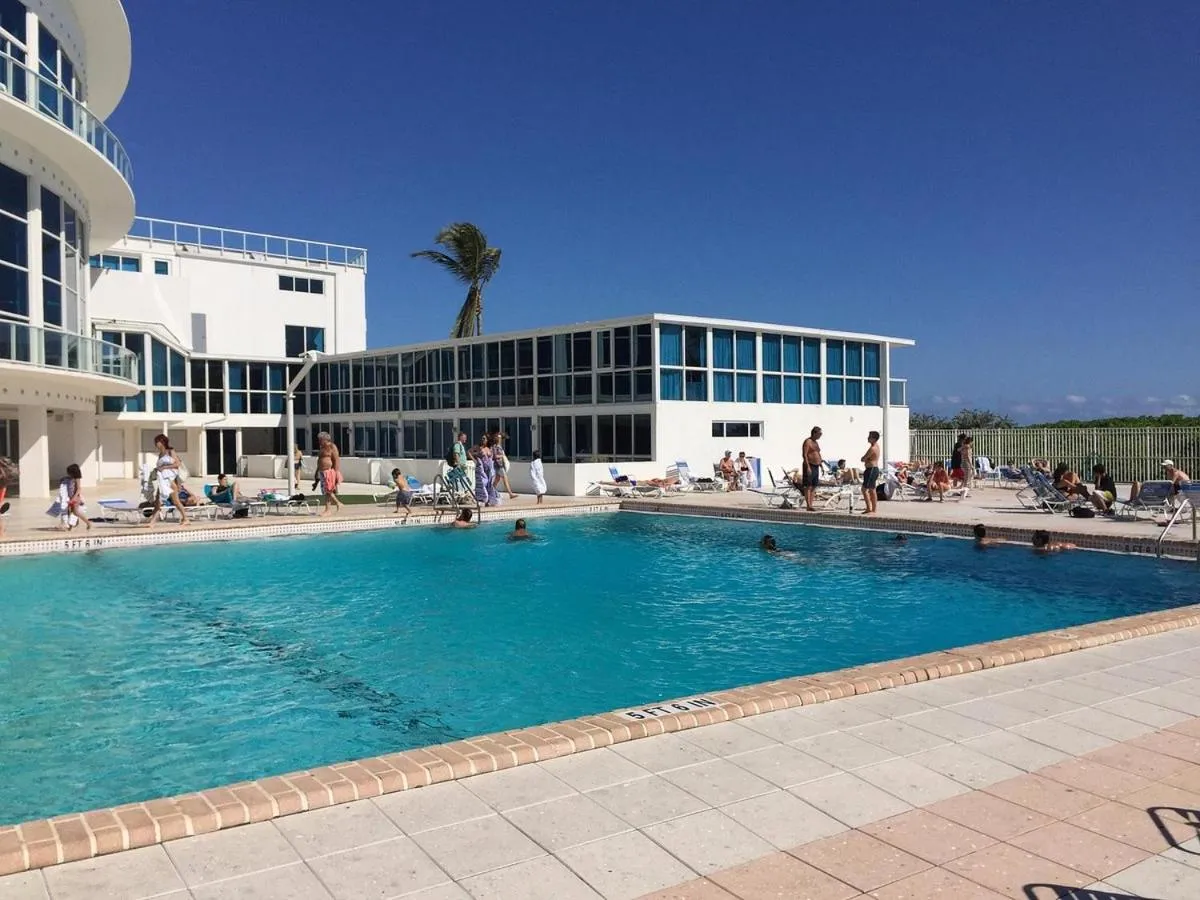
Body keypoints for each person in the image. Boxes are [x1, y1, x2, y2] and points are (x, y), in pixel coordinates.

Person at [147, 434, 188, 526]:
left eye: (156, 442)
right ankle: (152, 523)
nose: (155, 444)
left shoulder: (170, 451)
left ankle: (186, 518)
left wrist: (165, 467)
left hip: (170, 482)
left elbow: (177, 464)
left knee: (176, 502)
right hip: (162, 482)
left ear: (162, 442)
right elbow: (160, 467)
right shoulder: (160, 454)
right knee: (157, 503)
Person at [51, 463, 90, 530]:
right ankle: (69, 526)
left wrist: (74, 498)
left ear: (73, 472)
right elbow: (64, 480)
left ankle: (88, 523)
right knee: (69, 512)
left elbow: (78, 489)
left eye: (69, 472)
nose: (68, 474)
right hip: (71, 498)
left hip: (76, 498)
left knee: (75, 512)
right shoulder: (70, 478)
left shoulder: (77, 479)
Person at [316, 431, 345, 516]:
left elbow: (336, 460)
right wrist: (316, 474)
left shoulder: (332, 447)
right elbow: (319, 460)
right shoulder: (322, 448)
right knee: (326, 491)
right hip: (322, 472)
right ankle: (336, 505)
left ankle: (330, 508)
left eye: (320, 440)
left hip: (329, 472)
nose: (319, 441)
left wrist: (336, 473)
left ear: (325, 439)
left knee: (328, 490)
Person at [801, 427, 823, 511]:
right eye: (819, 434)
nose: (820, 436)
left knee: (814, 486)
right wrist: (808, 467)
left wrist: (821, 465)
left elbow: (818, 453)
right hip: (809, 465)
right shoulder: (808, 442)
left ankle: (811, 504)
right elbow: (805, 455)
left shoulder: (816, 443)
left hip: (816, 466)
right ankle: (808, 505)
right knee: (808, 486)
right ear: (814, 433)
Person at [492, 432, 518, 499]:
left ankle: (490, 491)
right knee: (505, 479)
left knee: (497, 480)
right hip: (499, 465)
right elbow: (494, 456)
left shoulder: (499, 446)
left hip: (500, 465)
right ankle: (510, 494)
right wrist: (502, 455)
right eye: (499, 438)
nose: (500, 440)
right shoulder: (496, 447)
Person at [861, 430, 881, 514]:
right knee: (872, 489)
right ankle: (873, 509)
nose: (868, 438)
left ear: (874, 439)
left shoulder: (873, 448)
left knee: (865, 489)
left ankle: (870, 508)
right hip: (872, 469)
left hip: (871, 470)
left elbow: (863, 458)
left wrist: (866, 459)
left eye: (869, 437)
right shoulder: (876, 446)